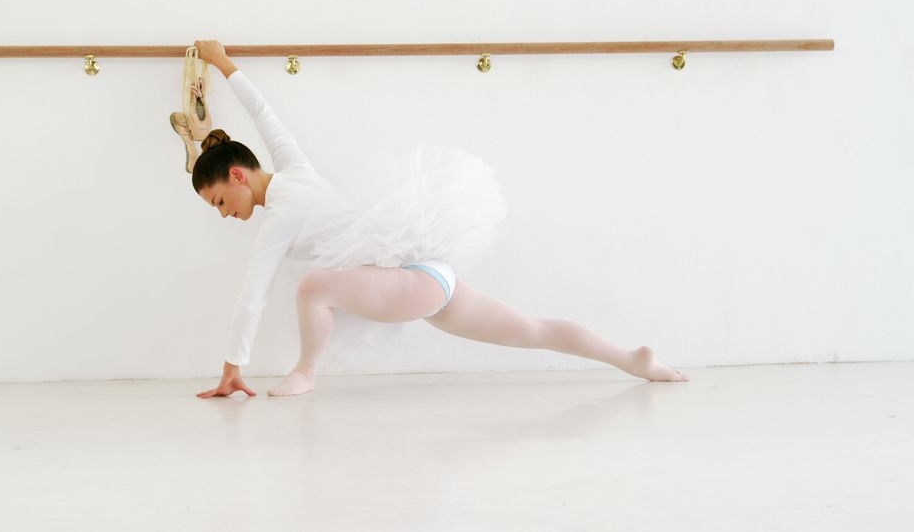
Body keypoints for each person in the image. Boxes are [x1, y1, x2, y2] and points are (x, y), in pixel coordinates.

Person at [186, 40, 689, 398]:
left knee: (312, 288)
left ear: (237, 176)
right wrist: (224, 62)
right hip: (427, 277)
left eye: (219, 203)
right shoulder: (295, 168)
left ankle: (307, 372)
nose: (226, 215)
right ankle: (630, 359)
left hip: (415, 280)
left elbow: (252, 294)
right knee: (530, 329)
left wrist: (233, 367)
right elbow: (266, 116)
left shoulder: (280, 215)